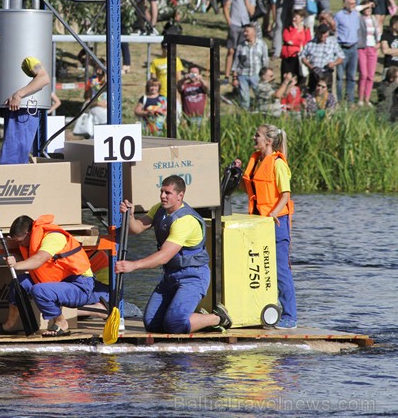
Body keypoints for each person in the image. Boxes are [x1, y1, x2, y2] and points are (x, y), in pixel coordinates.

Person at [115, 175, 233, 334]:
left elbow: (164, 256)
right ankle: (192, 316)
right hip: (171, 275)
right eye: (162, 191)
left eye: (168, 193)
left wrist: (133, 265)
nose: (163, 196)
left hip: (193, 276)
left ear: (180, 195)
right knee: (151, 324)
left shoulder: (185, 221)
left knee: (174, 324)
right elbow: (136, 229)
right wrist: (130, 216)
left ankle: (218, 318)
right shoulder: (159, 209)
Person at [0, 214, 94, 337]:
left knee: (40, 290)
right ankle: (9, 326)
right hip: (56, 282)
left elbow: (39, 259)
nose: (19, 244)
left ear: (28, 233)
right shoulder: (30, 242)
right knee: (19, 283)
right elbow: (35, 260)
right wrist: (16, 259)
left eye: (20, 241)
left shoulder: (53, 237)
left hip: (79, 285)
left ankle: (61, 323)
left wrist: (15, 265)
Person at [234, 124, 297, 329]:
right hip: (257, 222)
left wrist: (273, 214)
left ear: (268, 141)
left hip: (276, 222)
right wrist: (237, 172)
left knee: (280, 271)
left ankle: (290, 317)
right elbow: (249, 188)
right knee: (256, 267)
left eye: (257, 135)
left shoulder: (278, 164)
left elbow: (285, 194)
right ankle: (257, 310)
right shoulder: (256, 161)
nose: (254, 138)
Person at [0, 56, 50, 165]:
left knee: (13, 157)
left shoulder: (29, 59)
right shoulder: (8, 57)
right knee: (13, 155)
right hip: (16, 110)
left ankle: (12, 180)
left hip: (23, 111)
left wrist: (19, 94)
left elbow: (44, 78)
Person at [222, 0, 257, 85]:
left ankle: (236, 75)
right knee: (231, 50)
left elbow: (252, 12)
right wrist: (229, 21)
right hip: (235, 23)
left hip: (245, 25)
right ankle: (227, 75)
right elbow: (226, 6)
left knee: (240, 51)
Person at [232, 23, 269, 110]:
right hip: (243, 74)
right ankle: (245, 113)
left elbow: (265, 60)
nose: (245, 33)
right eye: (244, 31)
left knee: (259, 95)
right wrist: (234, 77)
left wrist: (265, 74)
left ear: (253, 32)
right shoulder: (241, 46)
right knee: (244, 97)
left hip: (256, 74)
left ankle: (260, 111)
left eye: (247, 31)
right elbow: (236, 62)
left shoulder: (262, 44)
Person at [300, 23, 344, 94]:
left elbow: (341, 57)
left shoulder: (333, 44)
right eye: (321, 33)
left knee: (326, 94)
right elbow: (302, 56)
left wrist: (334, 63)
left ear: (328, 33)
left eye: (325, 33)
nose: (323, 35)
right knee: (311, 93)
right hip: (314, 73)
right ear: (317, 33)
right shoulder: (310, 44)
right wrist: (309, 66)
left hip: (326, 73)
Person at [333, 0, 360, 103]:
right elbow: (334, 31)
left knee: (352, 76)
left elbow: (356, 29)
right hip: (342, 48)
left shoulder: (356, 15)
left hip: (353, 47)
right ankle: (338, 100)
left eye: (354, 3)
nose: (354, 5)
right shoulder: (339, 16)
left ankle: (350, 100)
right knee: (339, 77)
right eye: (351, 3)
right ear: (345, 4)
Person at [357, 0, 381, 106]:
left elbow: (378, 32)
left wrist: (378, 42)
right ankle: (360, 98)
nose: (369, 10)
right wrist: (366, 5)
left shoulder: (373, 19)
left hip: (372, 48)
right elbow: (356, 9)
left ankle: (367, 98)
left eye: (370, 8)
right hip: (362, 47)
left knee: (371, 75)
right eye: (367, 8)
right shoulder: (359, 18)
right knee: (363, 74)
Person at [281, 10, 311, 86]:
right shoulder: (288, 28)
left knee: (298, 77)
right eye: (293, 17)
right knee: (286, 77)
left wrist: (294, 43)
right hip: (288, 56)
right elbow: (287, 39)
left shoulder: (306, 29)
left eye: (296, 17)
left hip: (298, 56)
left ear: (302, 18)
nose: (294, 19)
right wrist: (295, 30)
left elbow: (306, 43)